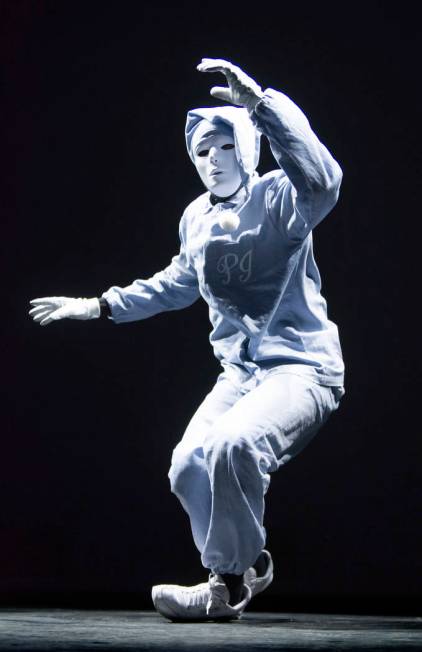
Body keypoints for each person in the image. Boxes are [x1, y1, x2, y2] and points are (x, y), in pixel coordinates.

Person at [29, 58, 345, 622]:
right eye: (201, 151)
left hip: (302, 369)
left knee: (233, 446)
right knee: (187, 467)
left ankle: (224, 584)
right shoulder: (196, 217)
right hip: (241, 374)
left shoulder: (277, 196)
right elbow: (177, 283)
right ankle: (244, 568)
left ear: (245, 147)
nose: (212, 160)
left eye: (224, 146)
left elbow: (323, 181)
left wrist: (262, 107)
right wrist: (99, 305)